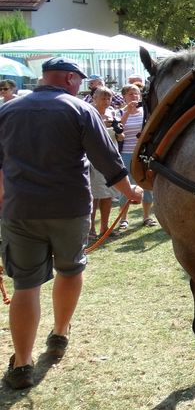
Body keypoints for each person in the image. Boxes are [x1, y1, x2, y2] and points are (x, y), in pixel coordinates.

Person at [0, 57, 143, 390]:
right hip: (69, 208)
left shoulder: (7, 111)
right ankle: (60, 333)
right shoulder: (80, 110)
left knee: (25, 285)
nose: (80, 85)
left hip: (20, 209)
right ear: (68, 79)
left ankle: (21, 363)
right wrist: (130, 193)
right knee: (70, 270)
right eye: (77, 80)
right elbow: (108, 161)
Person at [117, 84, 156, 229]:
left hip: (143, 154)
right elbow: (118, 130)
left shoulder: (145, 112)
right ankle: (123, 219)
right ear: (124, 97)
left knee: (147, 186)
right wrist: (127, 112)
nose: (134, 97)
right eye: (130, 94)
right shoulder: (119, 112)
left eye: (136, 94)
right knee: (125, 185)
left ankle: (146, 216)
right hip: (126, 154)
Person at [87, 86, 123, 239]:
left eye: (108, 98)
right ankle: (90, 230)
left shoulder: (112, 113)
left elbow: (121, 138)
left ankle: (105, 228)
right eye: (103, 97)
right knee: (94, 196)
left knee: (107, 195)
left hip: (110, 158)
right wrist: (102, 125)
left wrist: (118, 129)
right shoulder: (88, 113)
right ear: (94, 98)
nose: (106, 101)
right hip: (94, 160)